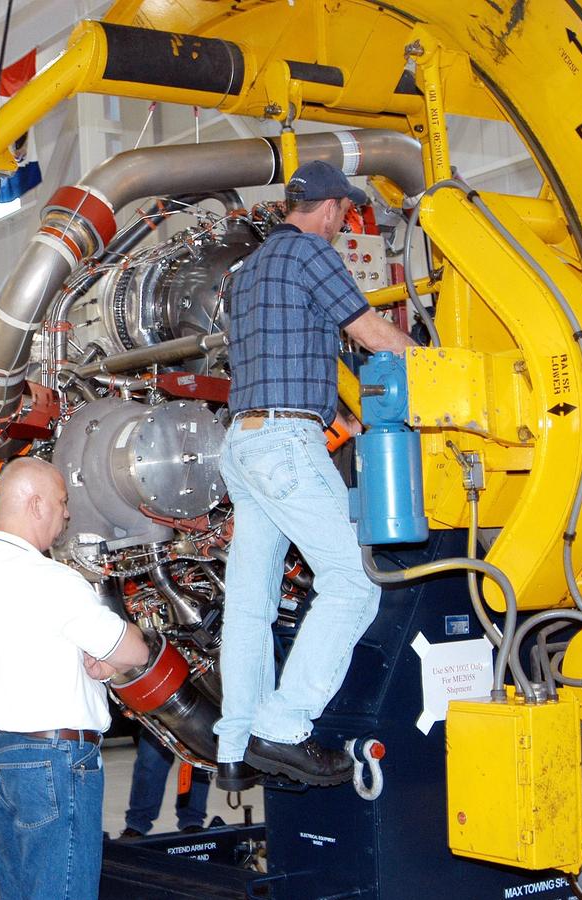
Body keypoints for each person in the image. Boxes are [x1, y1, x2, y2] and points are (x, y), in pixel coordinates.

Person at [215, 159, 416, 790]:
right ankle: (284, 726)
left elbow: (294, 350)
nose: (341, 224)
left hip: (243, 445)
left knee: (250, 603)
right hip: (284, 442)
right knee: (354, 582)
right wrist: (448, 371)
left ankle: (235, 745)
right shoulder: (311, 255)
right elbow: (372, 332)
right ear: (329, 209)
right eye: (343, 214)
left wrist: (348, 420)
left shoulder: (248, 272)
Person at [0, 457, 150, 900]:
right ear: (36, 503)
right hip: (56, 761)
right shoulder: (51, 580)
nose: (66, 514)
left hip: (1, 756)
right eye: (62, 503)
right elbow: (133, 651)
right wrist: (125, 644)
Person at [120, 729, 210, 837]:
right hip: (158, 716)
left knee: (198, 761)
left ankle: (192, 819)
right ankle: (138, 822)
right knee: (150, 758)